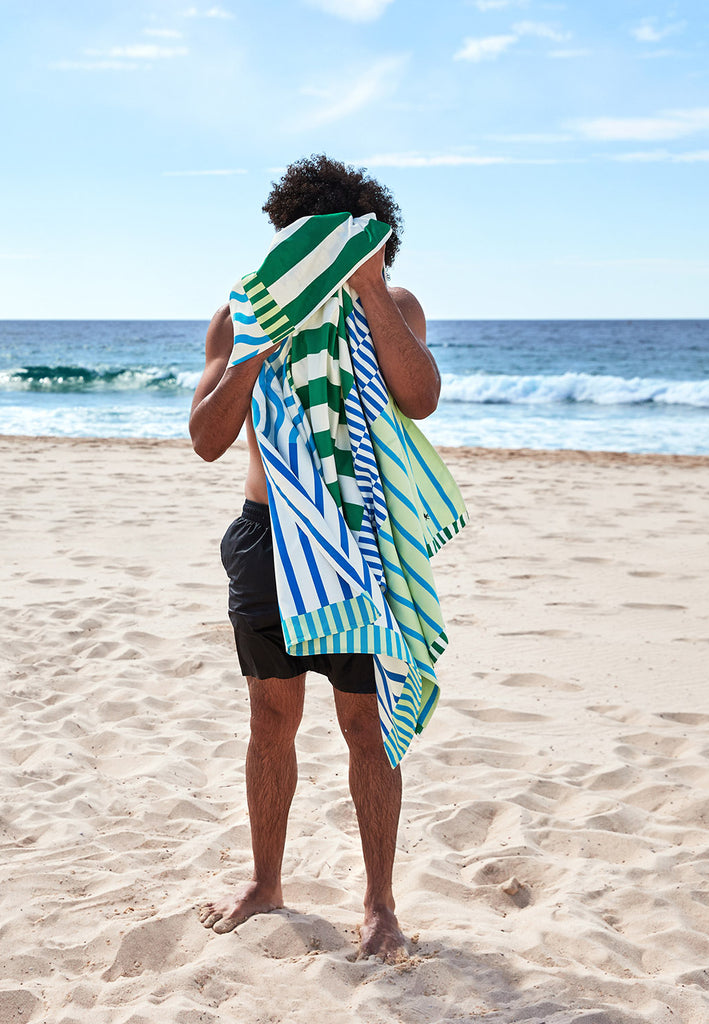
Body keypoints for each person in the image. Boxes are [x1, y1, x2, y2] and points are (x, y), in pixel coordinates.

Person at [189, 154, 442, 960]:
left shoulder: (392, 303)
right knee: (272, 720)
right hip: (268, 538)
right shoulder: (240, 315)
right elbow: (206, 439)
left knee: (365, 725)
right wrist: (255, 351)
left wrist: (367, 290)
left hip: (357, 542)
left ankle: (379, 905)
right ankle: (266, 883)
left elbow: (420, 397)